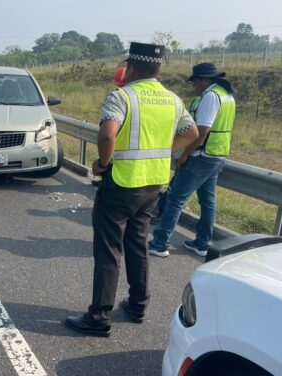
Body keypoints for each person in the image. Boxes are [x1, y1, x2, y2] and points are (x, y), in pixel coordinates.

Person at [64, 42, 199, 337]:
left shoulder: (122, 96)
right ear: (158, 69)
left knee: (109, 250)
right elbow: (192, 133)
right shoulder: (173, 100)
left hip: (121, 184)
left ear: (132, 68)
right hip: (153, 185)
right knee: (138, 244)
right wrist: (164, 152)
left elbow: (108, 133)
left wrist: (102, 162)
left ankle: (99, 317)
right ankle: (138, 304)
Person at [148, 62, 237, 258]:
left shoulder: (211, 97)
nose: (195, 86)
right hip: (218, 154)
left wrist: (186, 153)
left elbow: (202, 131)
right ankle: (202, 243)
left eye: (196, 82)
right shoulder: (227, 95)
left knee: (175, 199)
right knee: (208, 201)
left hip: (201, 155)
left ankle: (160, 243)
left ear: (205, 80)